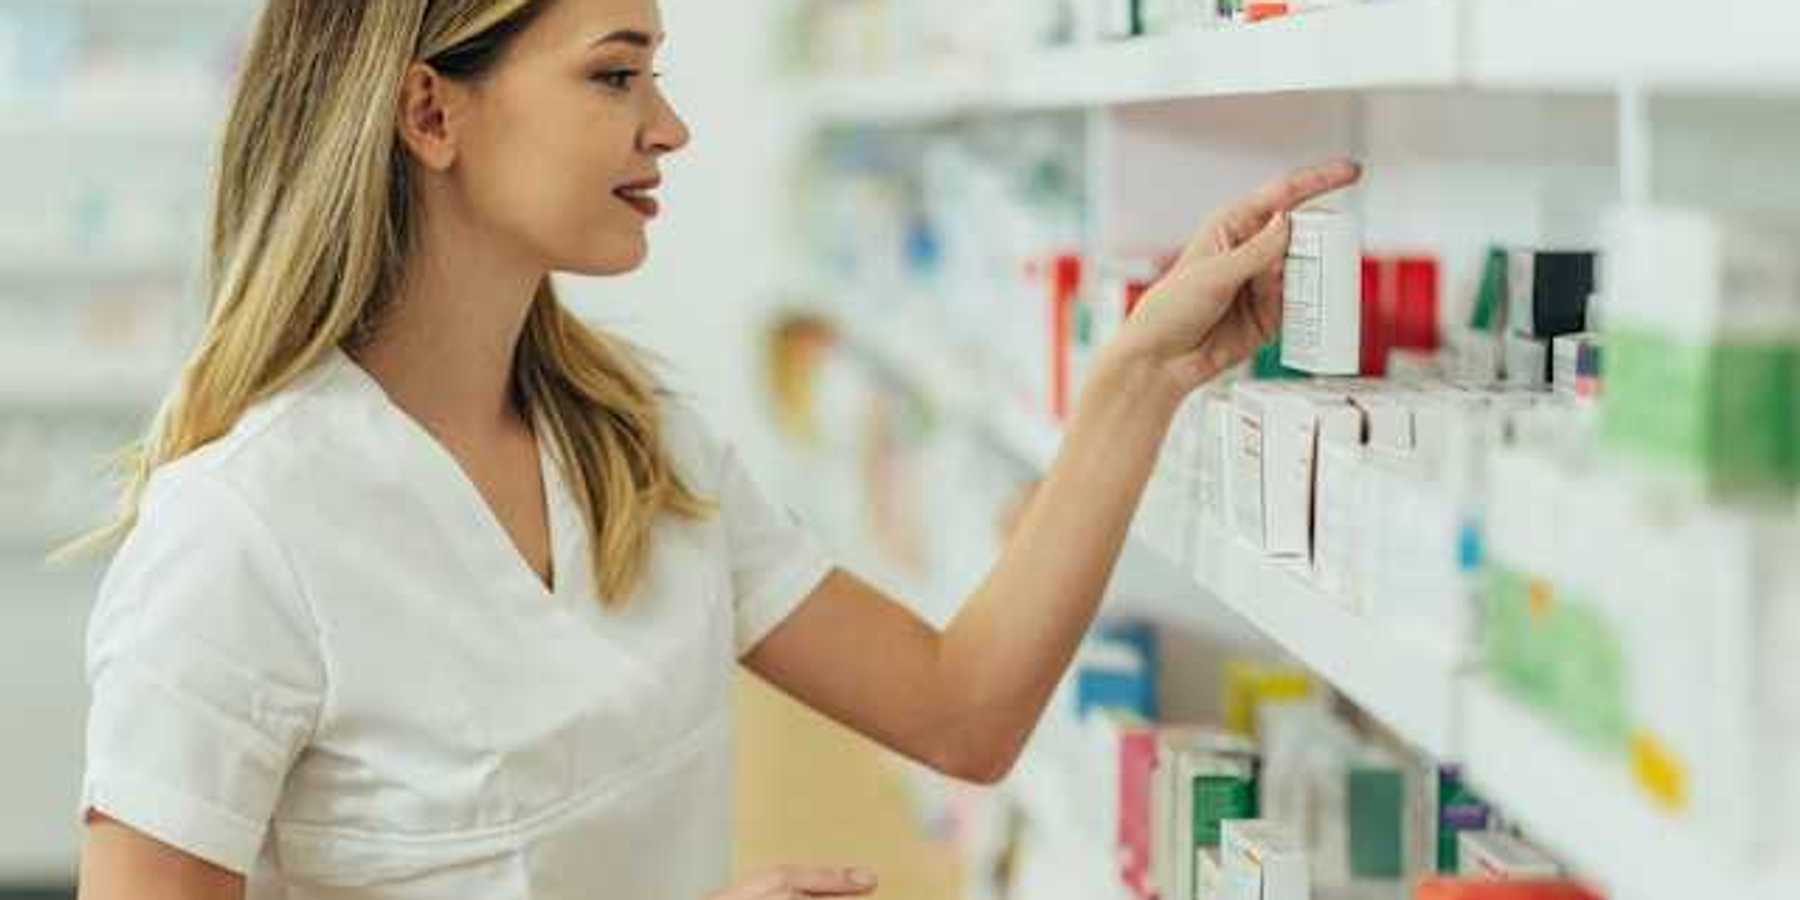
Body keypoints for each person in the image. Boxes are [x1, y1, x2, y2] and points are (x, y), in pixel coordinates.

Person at [72, 0, 1360, 898]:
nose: (669, 126)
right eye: (614, 75)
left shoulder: (637, 443)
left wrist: (1142, 375)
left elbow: (962, 710)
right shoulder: (242, 532)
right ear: (429, 112)